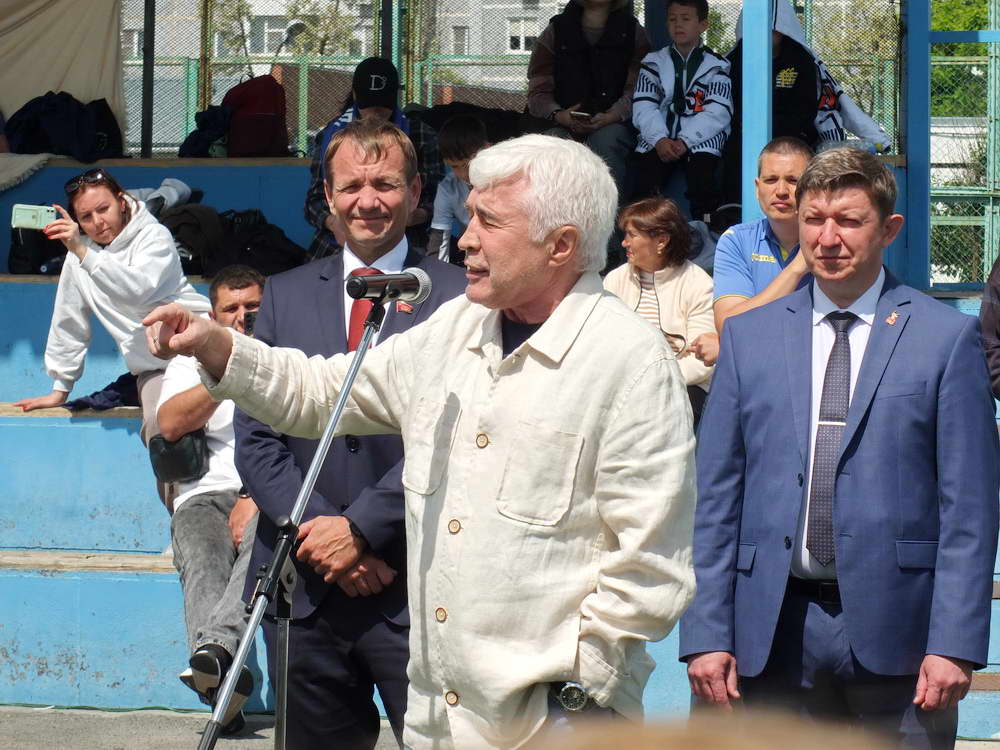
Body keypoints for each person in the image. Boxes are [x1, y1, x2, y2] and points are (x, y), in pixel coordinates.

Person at [145, 133, 697, 749]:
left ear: (560, 245)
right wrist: (214, 344)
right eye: (469, 216)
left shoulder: (630, 363)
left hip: (550, 723)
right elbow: (323, 392)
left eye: (489, 222)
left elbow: (649, 567)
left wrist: (576, 698)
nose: (465, 239)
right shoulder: (458, 327)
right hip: (441, 718)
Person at [679, 147, 999, 748]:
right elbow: (715, 499)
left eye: (848, 221)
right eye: (813, 219)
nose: (827, 239)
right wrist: (706, 632)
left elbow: (970, 510)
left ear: (889, 229)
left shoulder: (946, 338)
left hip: (902, 640)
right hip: (768, 635)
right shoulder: (748, 337)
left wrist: (954, 643)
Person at [235, 118, 466, 749]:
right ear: (329, 197)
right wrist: (323, 534)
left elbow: (456, 432)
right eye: (352, 186)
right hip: (306, 588)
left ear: (415, 193)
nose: (368, 201)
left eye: (385, 184)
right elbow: (257, 436)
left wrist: (362, 528)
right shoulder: (282, 295)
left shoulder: (461, 299)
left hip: (416, 584)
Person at [13, 167, 210, 508]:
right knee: (165, 440)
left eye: (103, 209)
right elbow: (69, 319)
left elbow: (138, 290)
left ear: (121, 201)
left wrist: (83, 253)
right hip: (154, 367)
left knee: (227, 431)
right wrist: (61, 387)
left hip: (200, 350)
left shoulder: (154, 236)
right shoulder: (79, 256)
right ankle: (186, 519)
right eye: (86, 217)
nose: (98, 222)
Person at [157, 265, 264, 735]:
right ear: (214, 316)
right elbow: (170, 423)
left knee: (260, 546)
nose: (242, 317)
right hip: (203, 492)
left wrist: (253, 495)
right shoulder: (191, 361)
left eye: (253, 307)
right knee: (202, 562)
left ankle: (216, 662)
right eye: (231, 309)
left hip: (267, 492)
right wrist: (226, 372)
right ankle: (222, 674)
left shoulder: (287, 355)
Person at [720, 0, 889, 205]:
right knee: (733, 152)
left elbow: (805, 108)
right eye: (758, 26)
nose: (766, 33)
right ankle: (731, 207)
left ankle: (800, 205)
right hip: (744, 134)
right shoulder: (735, 61)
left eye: (773, 28)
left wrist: (777, 129)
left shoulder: (801, 61)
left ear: (784, 28)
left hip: (794, 134)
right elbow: (727, 104)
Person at [688, 136, 813, 367]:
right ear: (757, 188)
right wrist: (797, 269)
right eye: (771, 180)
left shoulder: (830, 241)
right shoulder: (737, 241)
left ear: (813, 187)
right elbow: (730, 326)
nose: (781, 190)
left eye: (793, 180)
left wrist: (730, 346)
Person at [304, 56, 444, 259]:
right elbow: (314, 202)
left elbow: (440, 198)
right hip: (336, 244)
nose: (375, 113)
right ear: (355, 95)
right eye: (368, 104)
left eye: (383, 105)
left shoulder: (421, 135)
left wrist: (414, 215)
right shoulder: (331, 135)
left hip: (406, 241)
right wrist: (334, 223)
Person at [527, 0, 650, 207]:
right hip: (560, 125)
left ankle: (608, 219)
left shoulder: (634, 32)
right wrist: (559, 115)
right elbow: (537, 90)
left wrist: (612, 115)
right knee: (556, 145)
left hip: (614, 124)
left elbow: (640, 90)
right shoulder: (555, 30)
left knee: (606, 141)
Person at [603, 197, 714, 425]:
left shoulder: (698, 284)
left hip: (681, 386)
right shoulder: (615, 280)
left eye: (631, 235)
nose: (624, 243)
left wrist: (648, 382)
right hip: (622, 384)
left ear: (661, 241)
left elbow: (700, 363)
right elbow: (602, 343)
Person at [631, 0, 731, 222]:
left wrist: (686, 140)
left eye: (685, 19)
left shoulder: (717, 66)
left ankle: (706, 227)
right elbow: (644, 105)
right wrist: (659, 139)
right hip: (658, 139)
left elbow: (718, 111)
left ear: (703, 25)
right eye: (672, 19)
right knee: (645, 181)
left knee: (703, 180)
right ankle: (644, 227)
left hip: (701, 139)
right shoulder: (653, 63)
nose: (678, 25)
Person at [427, 113, 490, 266]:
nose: (465, 174)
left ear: (488, 149)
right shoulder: (448, 188)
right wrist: (435, 274)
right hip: (472, 250)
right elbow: (439, 239)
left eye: (469, 164)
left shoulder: (508, 180)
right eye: (455, 166)